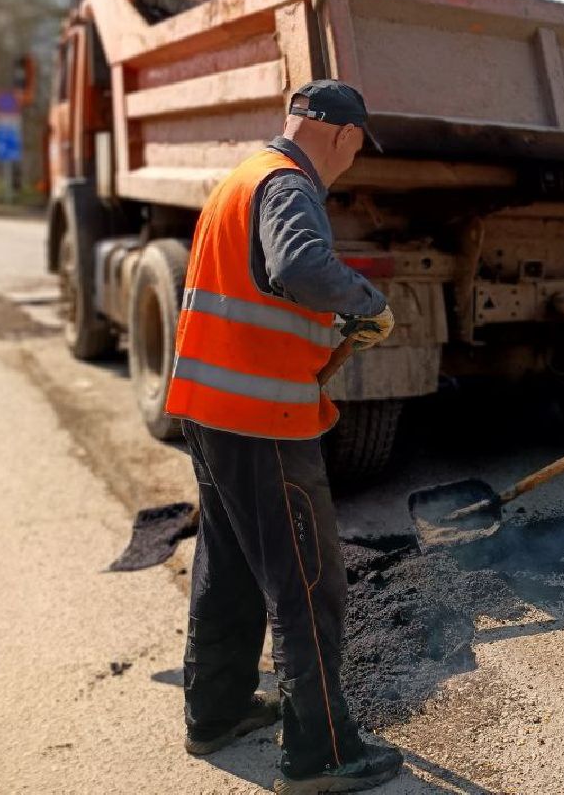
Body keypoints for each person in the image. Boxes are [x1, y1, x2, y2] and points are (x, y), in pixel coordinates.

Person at [164, 80, 402, 794]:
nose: (353, 162)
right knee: (306, 582)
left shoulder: (244, 177)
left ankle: (218, 712)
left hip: (211, 407)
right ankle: (321, 755)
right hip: (262, 416)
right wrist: (367, 304)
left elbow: (262, 286)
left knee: (230, 563)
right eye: (357, 148)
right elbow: (297, 265)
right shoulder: (288, 184)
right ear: (342, 134)